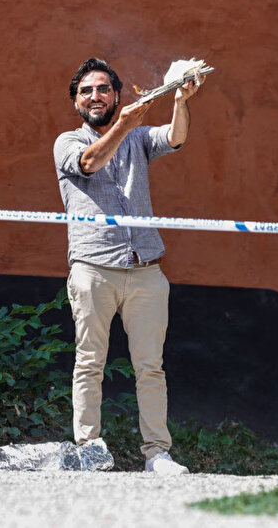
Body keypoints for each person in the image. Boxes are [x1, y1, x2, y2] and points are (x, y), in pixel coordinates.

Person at [53, 58, 204, 475]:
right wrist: (124, 124)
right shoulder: (66, 141)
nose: (95, 96)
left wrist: (180, 99)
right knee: (89, 363)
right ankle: (89, 449)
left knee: (150, 367)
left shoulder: (138, 137)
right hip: (93, 268)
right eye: (86, 91)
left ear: (116, 95)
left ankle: (157, 454)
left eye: (103, 89)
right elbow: (90, 163)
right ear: (76, 102)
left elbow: (176, 137)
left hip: (145, 269)